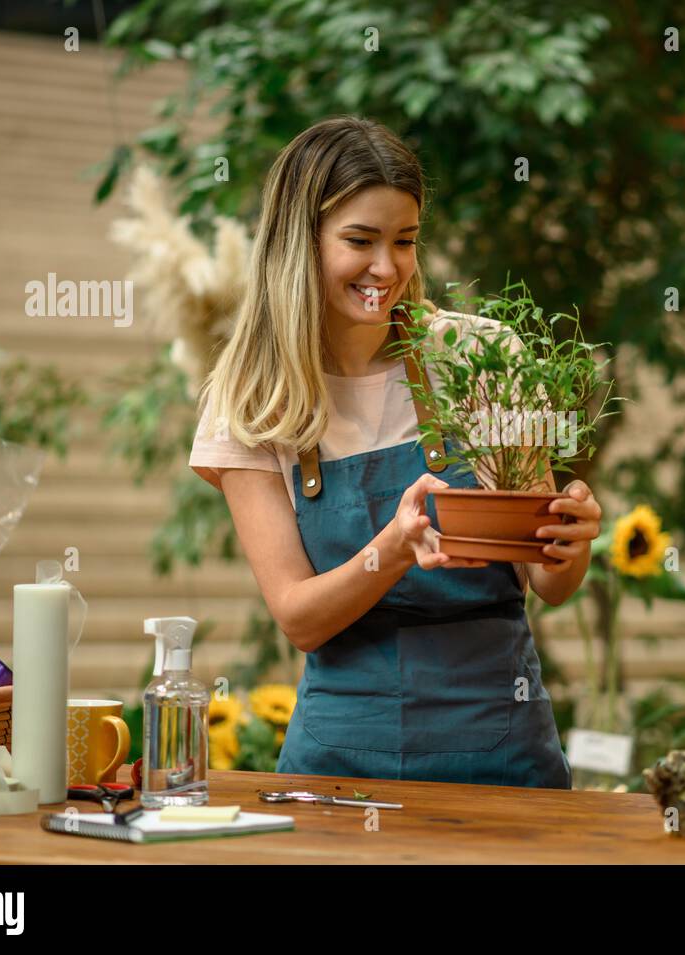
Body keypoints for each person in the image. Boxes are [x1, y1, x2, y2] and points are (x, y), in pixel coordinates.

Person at [188, 116, 603, 788]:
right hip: (339, 771)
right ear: (301, 241)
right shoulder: (252, 399)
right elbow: (298, 615)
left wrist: (571, 541)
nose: (386, 268)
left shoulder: (481, 358)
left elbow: (551, 584)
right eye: (360, 240)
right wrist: (395, 545)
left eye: (404, 241)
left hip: (499, 754)